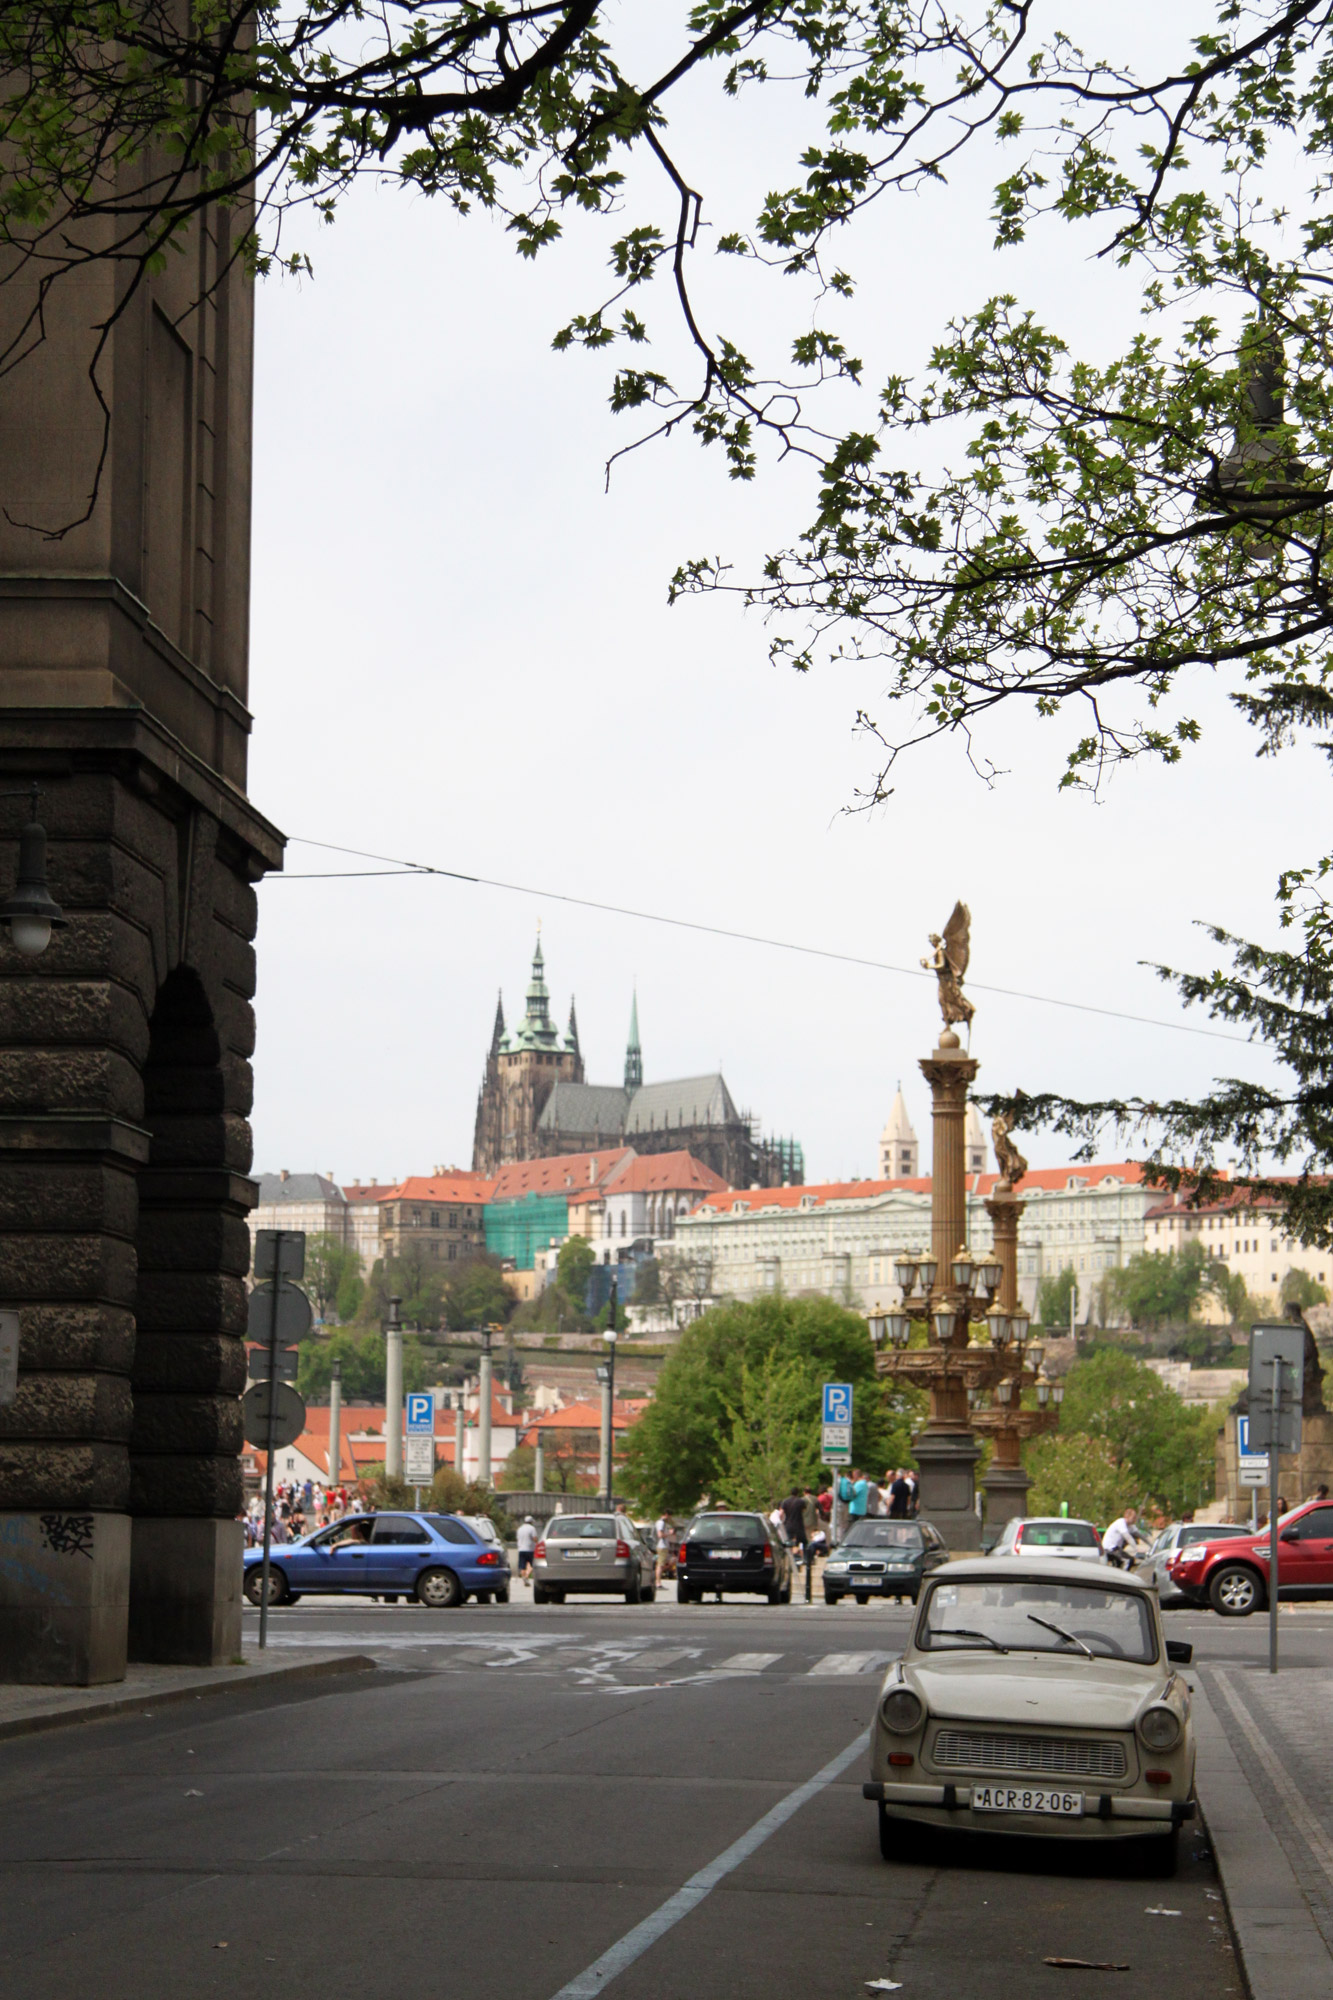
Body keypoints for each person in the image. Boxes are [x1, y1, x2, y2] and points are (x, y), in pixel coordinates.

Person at [516, 1514, 538, 1580]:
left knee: (522, 1566)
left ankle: (524, 1577)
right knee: (531, 1564)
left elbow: (518, 1538)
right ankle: (527, 1576)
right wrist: (537, 1542)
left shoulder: (520, 1529)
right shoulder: (532, 1528)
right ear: (531, 1522)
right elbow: (535, 1539)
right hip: (530, 1549)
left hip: (521, 1549)